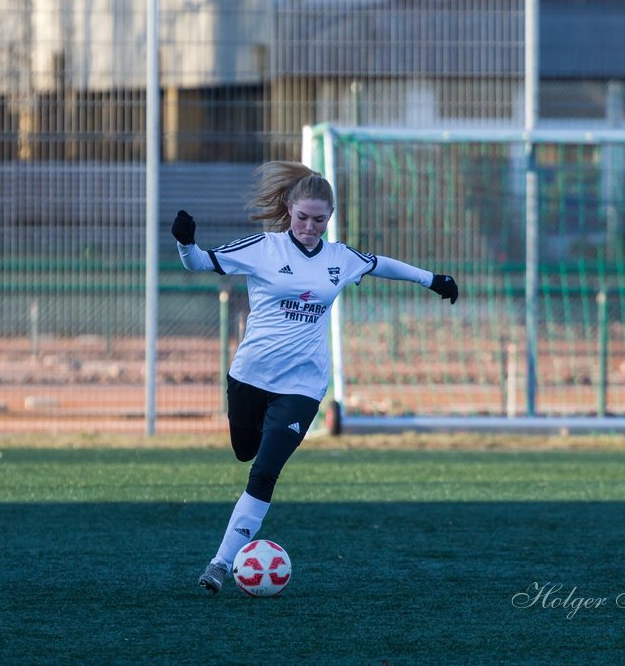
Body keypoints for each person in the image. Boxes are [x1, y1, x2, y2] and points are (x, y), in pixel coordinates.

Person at [173, 160, 459, 593]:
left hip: (302, 388)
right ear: (289, 208)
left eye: (319, 219)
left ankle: (219, 564)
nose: (310, 226)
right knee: (243, 450)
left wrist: (432, 279)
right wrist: (184, 242)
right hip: (250, 376)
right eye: (303, 217)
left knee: (264, 473)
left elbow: (381, 264)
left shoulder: (339, 259)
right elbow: (200, 263)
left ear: (330, 217)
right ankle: (233, 529)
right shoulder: (263, 248)